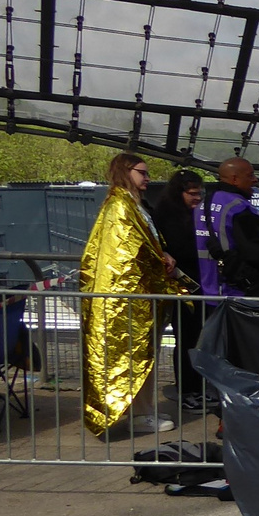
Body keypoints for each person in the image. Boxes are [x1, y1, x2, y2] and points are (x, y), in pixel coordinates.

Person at [81, 153, 180, 437]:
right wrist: (160, 259)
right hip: (129, 300)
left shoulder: (129, 205)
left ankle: (143, 411)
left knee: (141, 356)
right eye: (143, 172)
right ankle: (140, 415)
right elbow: (129, 252)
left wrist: (162, 255)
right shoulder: (121, 206)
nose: (147, 178)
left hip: (137, 298)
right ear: (127, 172)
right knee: (134, 357)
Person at [152, 170, 207, 413]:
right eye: (192, 194)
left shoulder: (193, 214)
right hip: (182, 287)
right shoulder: (167, 216)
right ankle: (187, 390)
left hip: (199, 285)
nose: (197, 198)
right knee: (186, 339)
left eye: (199, 194)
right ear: (180, 193)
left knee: (197, 339)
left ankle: (198, 387)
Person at [198, 157, 259, 297]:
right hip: (237, 293)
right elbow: (256, 251)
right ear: (234, 179)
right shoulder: (239, 208)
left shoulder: (203, 204)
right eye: (250, 175)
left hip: (208, 291)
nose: (255, 180)